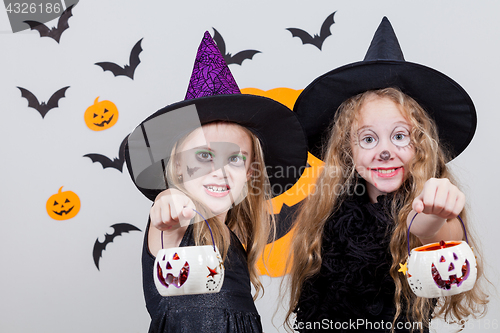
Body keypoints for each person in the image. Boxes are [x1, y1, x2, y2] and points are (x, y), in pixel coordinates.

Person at [286, 17, 488, 332]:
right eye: (368, 139)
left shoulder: (423, 206)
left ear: (421, 145)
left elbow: (437, 236)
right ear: (347, 149)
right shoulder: (327, 209)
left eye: (399, 136)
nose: (384, 151)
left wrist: (434, 217)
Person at [125, 31, 307, 333]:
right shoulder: (175, 228)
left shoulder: (229, 233)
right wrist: (168, 205)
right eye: (204, 156)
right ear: (179, 167)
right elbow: (165, 216)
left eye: (234, 159)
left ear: (251, 171)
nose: (220, 171)